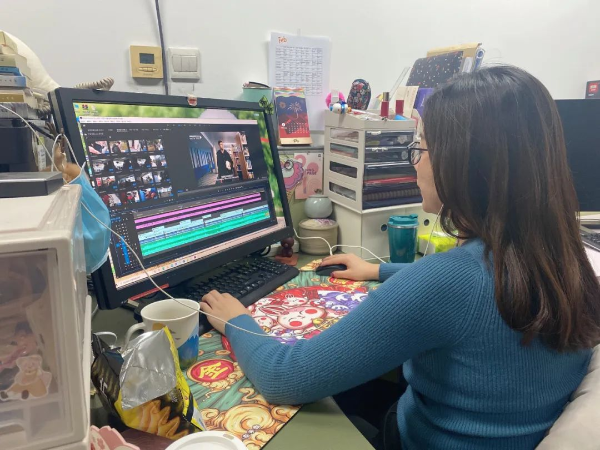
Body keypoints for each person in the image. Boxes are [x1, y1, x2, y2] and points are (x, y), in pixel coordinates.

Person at [199, 66, 600, 450]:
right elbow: (478, 291)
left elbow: (285, 376)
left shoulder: (448, 281)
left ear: (462, 164)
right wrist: (378, 269)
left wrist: (236, 320)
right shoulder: (563, 255)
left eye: (421, 148)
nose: (416, 162)